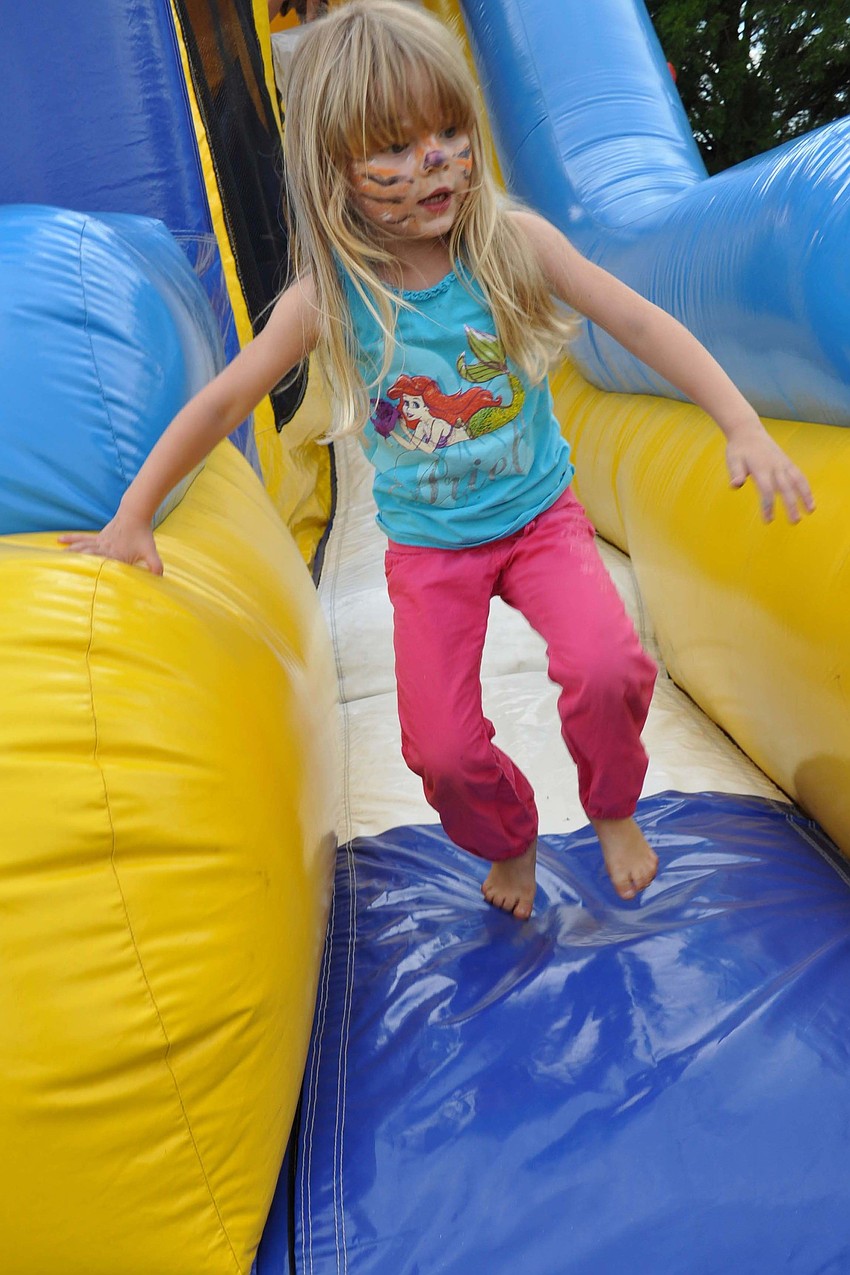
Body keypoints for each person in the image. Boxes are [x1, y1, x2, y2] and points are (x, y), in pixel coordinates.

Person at [60, 0, 814, 920]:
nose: (435, 162)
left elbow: (637, 321)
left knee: (609, 664)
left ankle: (614, 806)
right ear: (336, 170)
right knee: (442, 752)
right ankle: (510, 835)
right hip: (432, 550)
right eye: (396, 146)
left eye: (450, 131)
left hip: (539, 517)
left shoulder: (511, 243)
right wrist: (134, 514)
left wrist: (740, 421)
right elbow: (224, 399)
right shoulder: (331, 298)